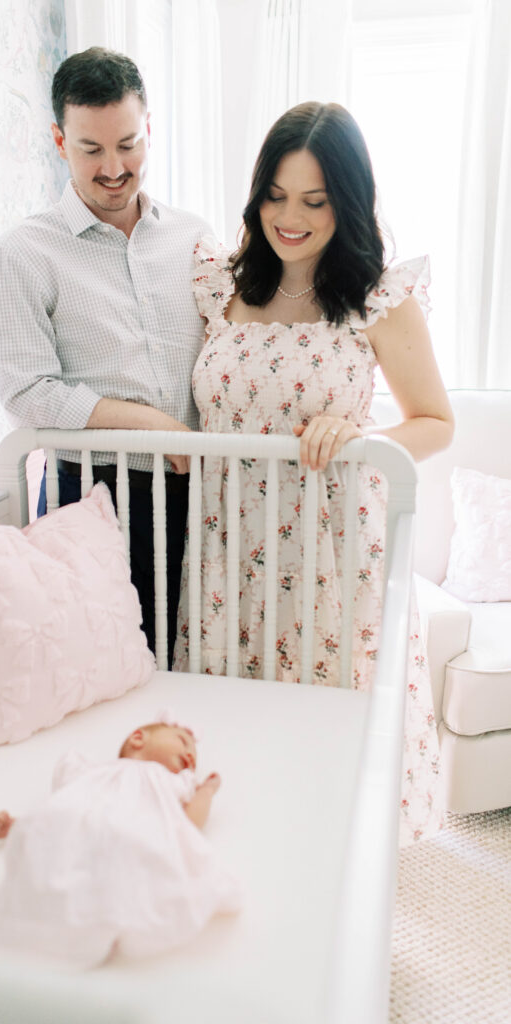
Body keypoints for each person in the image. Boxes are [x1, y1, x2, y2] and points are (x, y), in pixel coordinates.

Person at [173, 102, 454, 845]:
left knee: (322, 724)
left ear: (347, 204)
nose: (287, 217)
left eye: (312, 201)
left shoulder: (377, 299)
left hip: (327, 548)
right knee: (230, 718)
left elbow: (434, 421)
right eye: (274, 195)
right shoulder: (217, 288)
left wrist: (357, 434)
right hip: (225, 543)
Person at [0, 47, 211, 661]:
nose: (114, 167)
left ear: (149, 131)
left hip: (203, 491)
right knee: (98, 671)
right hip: (92, 496)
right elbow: (27, 393)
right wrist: (160, 429)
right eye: (91, 149)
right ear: (60, 141)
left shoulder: (194, 237)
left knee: (204, 672)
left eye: (128, 144)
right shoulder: (25, 252)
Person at [0, 719, 240, 970]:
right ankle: (54, 922)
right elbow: (62, 807)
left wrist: (205, 791)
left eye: (193, 754)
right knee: (59, 839)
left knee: (135, 864)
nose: (190, 754)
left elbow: (190, 822)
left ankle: (107, 918)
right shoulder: (95, 772)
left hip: (132, 837)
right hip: (84, 829)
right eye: (182, 742)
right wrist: (18, 824)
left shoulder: (173, 783)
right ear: (138, 738)